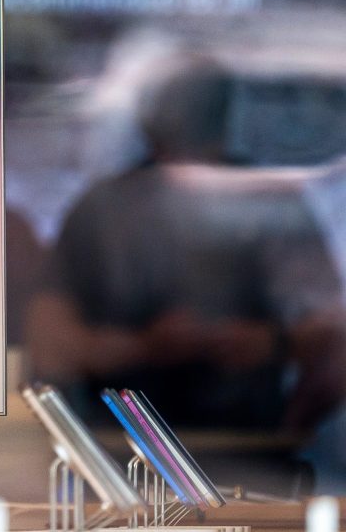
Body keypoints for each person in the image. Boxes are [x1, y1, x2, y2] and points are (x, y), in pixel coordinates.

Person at [26, 60, 346, 435]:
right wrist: (142, 347)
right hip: (122, 450)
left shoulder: (271, 203)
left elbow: (333, 337)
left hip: (247, 450)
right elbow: (48, 347)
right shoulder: (102, 210)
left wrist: (269, 346)